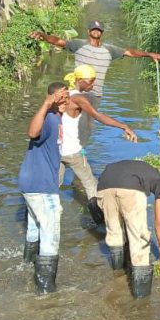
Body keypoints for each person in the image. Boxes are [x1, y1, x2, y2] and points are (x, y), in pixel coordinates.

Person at [60, 64, 138, 222]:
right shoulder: (78, 98)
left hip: (57, 150)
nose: (93, 84)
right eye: (90, 81)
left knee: (53, 185)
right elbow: (98, 115)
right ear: (80, 80)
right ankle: (100, 222)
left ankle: (38, 215)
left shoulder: (63, 95)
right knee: (90, 184)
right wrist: (123, 126)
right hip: (73, 152)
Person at [29, 20, 160, 99]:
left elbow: (130, 52)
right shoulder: (78, 45)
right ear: (89, 31)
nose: (96, 31)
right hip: (77, 92)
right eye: (94, 28)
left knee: (86, 128)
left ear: (102, 32)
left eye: (99, 29)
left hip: (95, 95)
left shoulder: (109, 50)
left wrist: (150, 54)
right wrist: (43, 36)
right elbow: (58, 41)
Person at [18, 81, 69, 294]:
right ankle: (46, 292)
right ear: (53, 98)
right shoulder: (48, 118)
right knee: (50, 235)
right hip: (42, 186)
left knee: (34, 229)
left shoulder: (57, 119)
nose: (66, 101)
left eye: (67, 97)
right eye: (62, 98)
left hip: (30, 183)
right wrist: (47, 103)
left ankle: (26, 267)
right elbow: (31, 132)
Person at [95, 160, 160, 299]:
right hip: (129, 188)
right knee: (139, 240)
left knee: (114, 233)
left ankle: (117, 275)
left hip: (104, 184)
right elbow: (159, 222)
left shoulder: (139, 169)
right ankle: (142, 301)